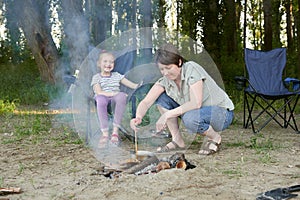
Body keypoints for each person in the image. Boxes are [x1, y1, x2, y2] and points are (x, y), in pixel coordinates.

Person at [130, 43, 234, 155]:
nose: (165, 73)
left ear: (179, 62)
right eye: (162, 69)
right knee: (162, 98)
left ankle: (215, 138)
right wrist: (138, 117)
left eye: (168, 68)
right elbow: (146, 102)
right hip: (197, 113)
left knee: (190, 118)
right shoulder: (165, 80)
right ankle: (177, 140)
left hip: (221, 114)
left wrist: (166, 115)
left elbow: (196, 103)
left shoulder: (192, 69)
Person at [91, 51, 140, 148]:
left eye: (111, 62)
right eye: (105, 61)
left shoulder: (117, 75)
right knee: (100, 99)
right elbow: (99, 92)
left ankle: (115, 131)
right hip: (103, 96)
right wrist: (113, 93)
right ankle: (105, 133)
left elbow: (129, 84)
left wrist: (137, 86)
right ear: (99, 64)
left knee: (121, 96)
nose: (108, 64)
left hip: (115, 97)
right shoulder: (96, 77)